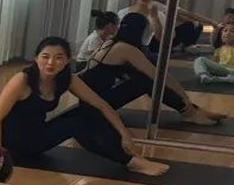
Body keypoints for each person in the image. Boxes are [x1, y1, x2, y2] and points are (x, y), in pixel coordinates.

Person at [0, 37, 169, 177]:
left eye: (58, 58)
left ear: (67, 60)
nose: (51, 63)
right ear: (36, 59)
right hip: (13, 146)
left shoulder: (67, 79)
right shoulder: (22, 80)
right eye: (45, 57)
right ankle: (130, 162)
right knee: (75, 124)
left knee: (88, 111)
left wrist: (125, 135)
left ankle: (130, 156)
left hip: (37, 135)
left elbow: (101, 105)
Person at [82, 13, 222, 125]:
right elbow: (160, 77)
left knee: (143, 79)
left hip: (91, 101)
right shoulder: (126, 49)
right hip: (96, 104)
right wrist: (185, 97)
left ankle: (194, 111)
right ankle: (190, 113)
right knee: (147, 81)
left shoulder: (110, 43)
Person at [119, 0, 217, 56]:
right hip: (144, 45)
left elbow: (186, 15)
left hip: (155, 42)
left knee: (194, 24)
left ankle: (187, 46)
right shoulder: (123, 13)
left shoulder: (155, 6)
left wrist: (211, 22)